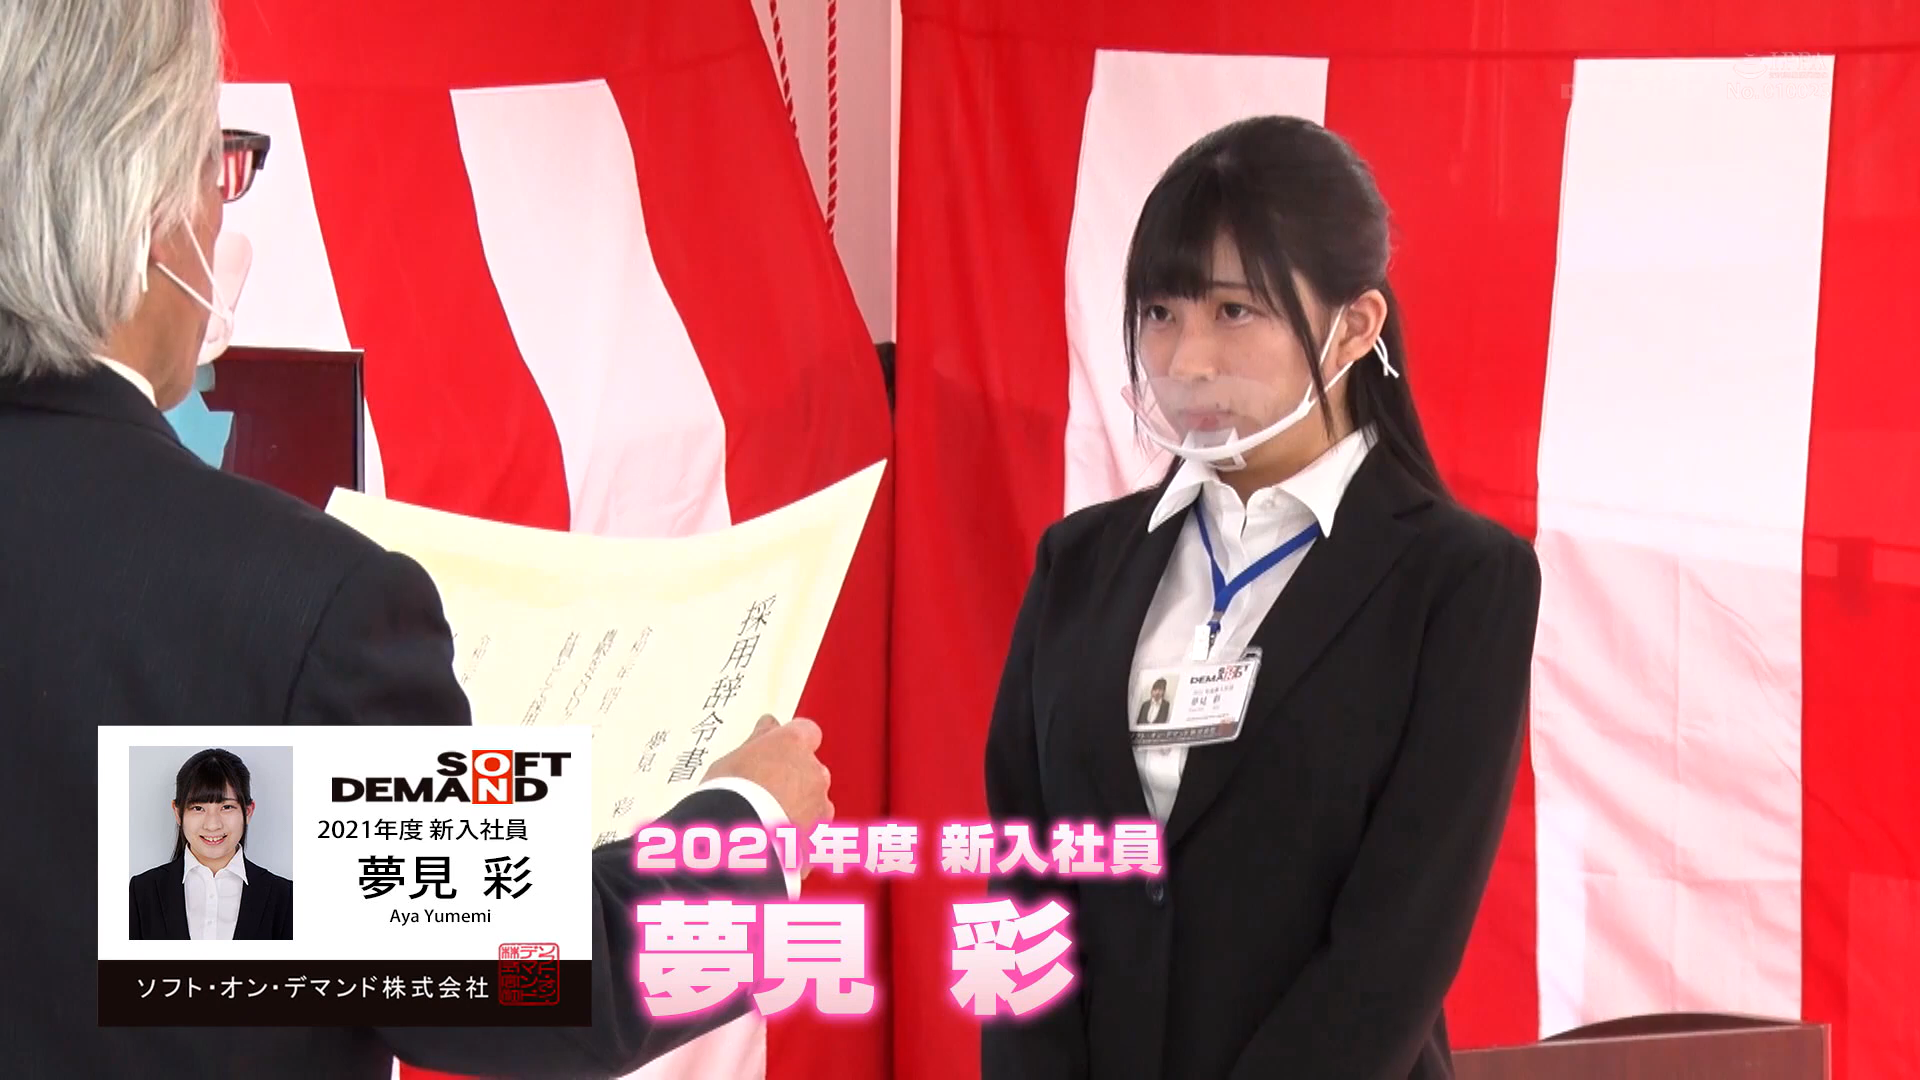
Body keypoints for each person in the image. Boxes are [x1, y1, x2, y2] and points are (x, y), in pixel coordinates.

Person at [0, 2, 831, 1076]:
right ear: (147, 211)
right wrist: (748, 823)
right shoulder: (304, 604)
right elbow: (529, 979)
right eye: (218, 167)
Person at [981, 115, 1542, 1080]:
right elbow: (1023, 890)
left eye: (1234, 311)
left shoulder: (1461, 582)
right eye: (1161, 312)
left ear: (1355, 326)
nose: (1186, 360)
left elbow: (1393, 949)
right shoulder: (1078, 563)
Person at [130, 749, 295, 941]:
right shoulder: (142, 892)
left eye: (227, 807)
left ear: (248, 812)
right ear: (178, 813)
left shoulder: (285, 897)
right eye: (198, 808)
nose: (212, 825)